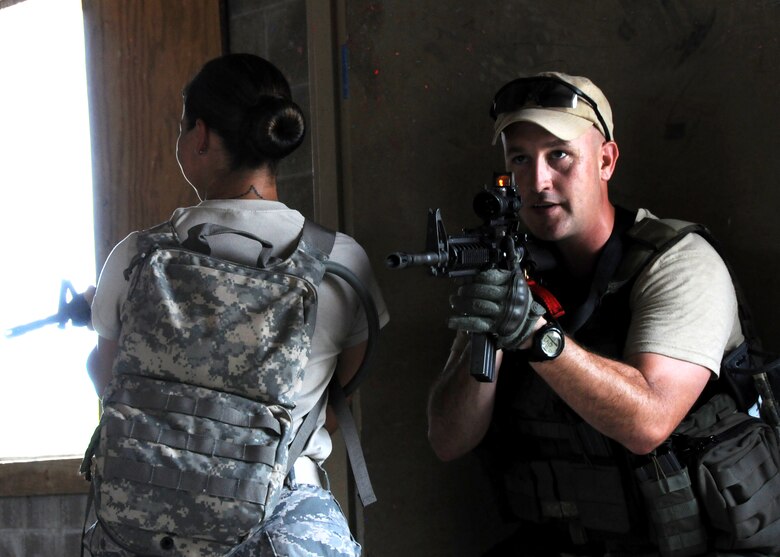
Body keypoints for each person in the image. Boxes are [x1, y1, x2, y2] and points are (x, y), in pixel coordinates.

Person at [427, 72, 746, 555]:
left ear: (605, 160)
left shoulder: (679, 262)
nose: (537, 181)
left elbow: (649, 424)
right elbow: (448, 439)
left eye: (559, 155)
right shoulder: (514, 268)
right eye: (519, 159)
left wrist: (533, 335)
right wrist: (486, 335)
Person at [84, 53, 389, 557]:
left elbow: (109, 378)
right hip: (284, 524)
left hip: (147, 526)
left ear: (200, 136)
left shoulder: (135, 257)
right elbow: (341, 399)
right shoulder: (339, 261)